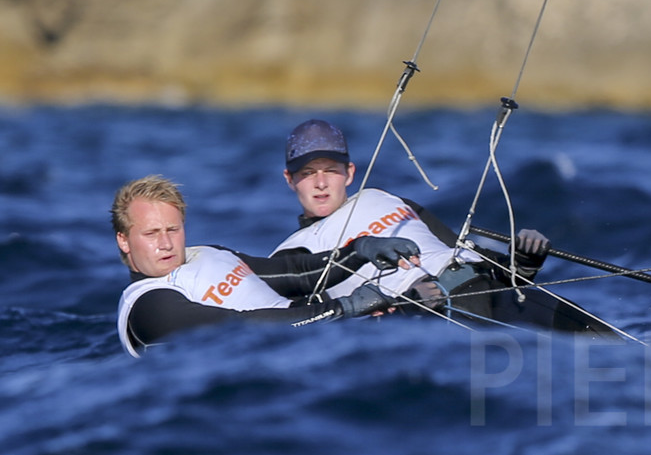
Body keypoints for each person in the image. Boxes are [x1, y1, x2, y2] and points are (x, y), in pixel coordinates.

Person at [269, 119, 551, 319]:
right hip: (429, 321)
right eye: (307, 173)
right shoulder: (292, 255)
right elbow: (310, 324)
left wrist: (522, 263)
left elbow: (463, 252)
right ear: (289, 180)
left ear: (350, 173)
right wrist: (403, 308)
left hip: (492, 293)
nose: (320, 183)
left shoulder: (387, 199)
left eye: (330, 170)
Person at [113, 174, 419, 357]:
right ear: (124, 241)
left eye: (173, 229)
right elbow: (239, 329)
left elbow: (294, 273)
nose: (166, 243)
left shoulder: (204, 254)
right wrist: (342, 310)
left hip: (318, 338)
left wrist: (359, 250)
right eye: (151, 234)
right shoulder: (147, 306)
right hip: (274, 377)